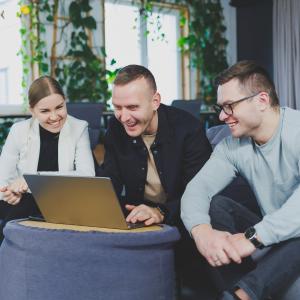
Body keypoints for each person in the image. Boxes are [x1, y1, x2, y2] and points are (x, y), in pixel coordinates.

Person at [181, 60, 300, 300]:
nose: (223, 116)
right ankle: (246, 288)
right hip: (273, 239)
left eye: (229, 106)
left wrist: (255, 237)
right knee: (217, 206)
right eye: (221, 108)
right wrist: (202, 233)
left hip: (288, 238)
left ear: (262, 100)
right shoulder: (232, 146)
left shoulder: (296, 131)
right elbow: (197, 189)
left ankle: (242, 294)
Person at [0, 76, 95, 241]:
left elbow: (87, 175)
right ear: (32, 111)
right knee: (12, 220)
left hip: (63, 200)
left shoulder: (79, 128)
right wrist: (9, 193)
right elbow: (3, 178)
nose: (54, 117)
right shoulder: (18, 130)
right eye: (45, 111)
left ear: (65, 102)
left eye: (59, 107)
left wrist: (34, 180)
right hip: (24, 200)